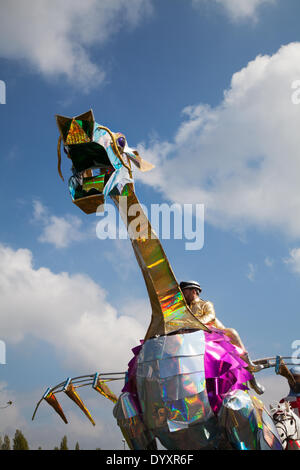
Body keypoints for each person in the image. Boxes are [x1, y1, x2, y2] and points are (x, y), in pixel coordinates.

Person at [180, 280, 265, 395]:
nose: (183, 295)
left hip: (212, 332)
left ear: (193, 291)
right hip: (195, 335)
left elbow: (210, 316)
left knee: (232, 333)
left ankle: (250, 366)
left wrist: (196, 324)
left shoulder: (205, 304)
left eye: (184, 292)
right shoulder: (185, 309)